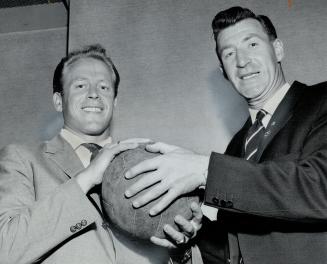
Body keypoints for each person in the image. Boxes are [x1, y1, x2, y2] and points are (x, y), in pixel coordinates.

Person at [124, 6, 327, 264]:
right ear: (223, 73)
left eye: (252, 44)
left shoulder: (321, 101)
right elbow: (235, 248)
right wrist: (186, 242)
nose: (242, 61)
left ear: (277, 50)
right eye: (229, 54)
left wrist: (205, 170)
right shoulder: (235, 147)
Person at [0, 44, 199, 264]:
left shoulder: (151, 164)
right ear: (58, 101)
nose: (94, 94)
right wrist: (86, 179)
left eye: (104, 87)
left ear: (114, 102)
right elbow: (5, 249)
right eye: (81, 85)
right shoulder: (22, 159)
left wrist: (181, 251)